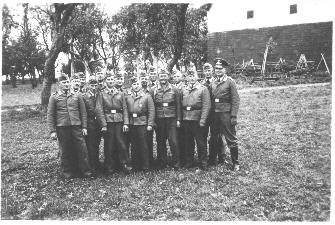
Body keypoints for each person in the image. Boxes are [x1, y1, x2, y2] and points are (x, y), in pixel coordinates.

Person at [47, 73, 92, 178]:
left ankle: (86, 171)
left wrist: (84, 127)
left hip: (76, 126)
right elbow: (50, 115)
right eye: (64, 82)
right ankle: (67, 172)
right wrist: (52, 131)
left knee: (82, 149)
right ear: (59, 84)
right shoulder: (54, 97)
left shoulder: (77, 95)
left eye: (67, 82)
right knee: (65, 150)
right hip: (62, 127)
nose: (66, 84)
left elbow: (83, 113)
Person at [96, 71, 132, 174]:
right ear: (105, 81)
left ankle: (125, 166)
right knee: (109, 145)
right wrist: (103, 124)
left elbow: (125, 108)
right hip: (108, 122)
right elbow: (99, 109)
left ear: (115, 80)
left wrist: (126, 123)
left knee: (122, 144)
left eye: (112, 79)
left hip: (119, 121)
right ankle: (109, 167)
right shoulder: (101, 94)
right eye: (109, 80)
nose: (111, 81)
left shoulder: (120, 93)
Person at [210, 58, 240, 171]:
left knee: (230, 138)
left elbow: (236, 100)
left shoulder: (230, 82)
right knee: (214, 137)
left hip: (226, 114)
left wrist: (233, 116)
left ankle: (235, 162)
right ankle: (215, 159)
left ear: (225, 69)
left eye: (220, 68)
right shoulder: (213, 82)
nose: (217, 70)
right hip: (214, 115)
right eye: (216, 68)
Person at [181, 69, 211, 170]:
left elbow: (206, 106)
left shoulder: (203, 89)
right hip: (186, 119)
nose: (192, 78)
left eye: (193, 76)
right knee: (188, 142)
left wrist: (203, 120)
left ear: (197, 77)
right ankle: (189, 161)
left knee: (200, 142)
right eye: (189, 76)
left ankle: (203, 162)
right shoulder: (184, 89)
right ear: (187, 78)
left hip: (197, 120)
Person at [153, 68, 181, 169]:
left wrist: (178, 119)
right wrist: (153, 121)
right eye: (161, 76)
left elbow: (178, 105)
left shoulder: (175, 89)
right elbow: (152, 107)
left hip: (172, 119)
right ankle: (162, 162)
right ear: (158, 77)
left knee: (173, 141)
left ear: (168, 77)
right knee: (160, 142)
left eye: (165, 76)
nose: (163, 78)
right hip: (159, 119)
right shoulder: (154, 90)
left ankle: (176, 163)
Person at [126, 77, 155, 172]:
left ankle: (145, 166)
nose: (136, 86)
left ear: (141, 85)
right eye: (134, 84)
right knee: (134, 145)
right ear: (131, 86)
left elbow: (151, 111)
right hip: (132, 123)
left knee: (144, 145)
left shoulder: (147, 96)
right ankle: (136, 165)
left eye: (137, 83)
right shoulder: (128, 97)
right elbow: (126, 110)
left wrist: (150, 124)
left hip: (142, 123)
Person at [202, 63, 228, 166]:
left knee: (217, 135)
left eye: (209, 71)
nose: (207, 73)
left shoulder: (217, 82)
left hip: (215, 113)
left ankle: (221, 156)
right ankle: (209, 157)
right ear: (203, 72)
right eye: (205, 71)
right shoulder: (201, 83)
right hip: (205, 113)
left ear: (212, 71)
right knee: (204, 136)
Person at [82, 76, 102, 175]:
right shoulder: (84, 96)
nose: (94, 87)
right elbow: (84, 113)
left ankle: (97, 164)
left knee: (97, 145)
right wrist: (85, 126)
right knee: (91, 146)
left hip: (99, 124)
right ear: (88, 85)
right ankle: (92, 166)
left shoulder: (99, 95)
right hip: (90, 124)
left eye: (95, 85)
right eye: (92, 85)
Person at [139, 70, 155, 168]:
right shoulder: (137, 90)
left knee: (149, 140)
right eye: (142, 78)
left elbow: (153, 107)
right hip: (141, 120)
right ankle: (142, 160)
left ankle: (150, 160)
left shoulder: (152, 90)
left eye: (145, 78)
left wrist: (152, 121)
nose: (144, 80)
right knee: (142, 141)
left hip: (150, 119)